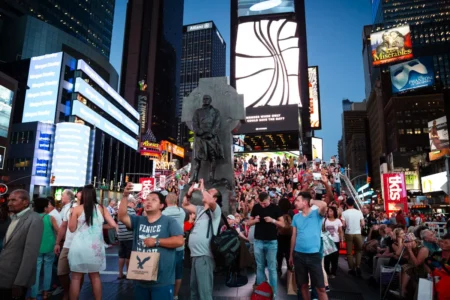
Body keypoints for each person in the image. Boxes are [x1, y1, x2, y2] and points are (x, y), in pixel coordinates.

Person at [119, 183, 184, 299]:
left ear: (161, 205)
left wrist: (156, 241)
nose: (148, 202)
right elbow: (122, 217)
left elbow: (179, 241)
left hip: (162, 281)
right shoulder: (138, 220)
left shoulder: (169, 221)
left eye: (154, 200)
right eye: (147, 199)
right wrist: (125, 196)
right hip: (140, 278)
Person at [68, 184, 117, 300]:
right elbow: (113, 224)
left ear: (83, 195)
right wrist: (98, 227)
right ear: (94, 195)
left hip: (78, 246)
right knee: (95, 277)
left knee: (75, 278)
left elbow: (72, 228)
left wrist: (71, 215)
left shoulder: (76, 209)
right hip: (95, 249)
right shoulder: (101, 208)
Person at [182, 179, 222, 300]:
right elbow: (185, 204)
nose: (205, 194)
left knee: (205, 293)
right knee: (194, 290)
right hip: (194, 256)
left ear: (214, 199)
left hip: (204, 256)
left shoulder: (216, 210)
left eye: (210, 193)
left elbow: (209, 200)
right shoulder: (200, 210)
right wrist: (189, 193)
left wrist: (203, 189)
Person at [0, 190, 44, 300]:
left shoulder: (34, 219)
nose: (9, 203)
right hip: (4, 276)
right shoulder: (14, 218)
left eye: (13, 200)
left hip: (16, 280)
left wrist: (20, 282)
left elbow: (30, 254)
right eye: (9, 200)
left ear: (25, 202)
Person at [289, 191, 328, 300]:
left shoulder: (317, 214)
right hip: (299, 255)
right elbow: (293, 237)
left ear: (305, 202)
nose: (295, 203)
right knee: (303, 286)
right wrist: (291, 255)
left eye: (298, 200)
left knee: (321, 288)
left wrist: (311, 201)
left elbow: (324, 205)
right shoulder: (296, 217)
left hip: (313, 255)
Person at [248, 192, 284, 297]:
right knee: (260, 267)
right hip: (258, 241)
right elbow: (249, 223)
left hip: (271, 242)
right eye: (261, 203)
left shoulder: (275, 208)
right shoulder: (256, 207)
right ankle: (261, 293)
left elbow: (283, 224)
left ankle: (273, 294)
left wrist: (272, 220)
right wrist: (255, 220)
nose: (263, 205)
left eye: (264, 203)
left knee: (272, 268)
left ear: (269, 199)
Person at [30, 197, 60, 300]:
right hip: (50, 247)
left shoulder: (32, 218)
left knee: (36, 272)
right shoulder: (50, 218)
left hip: (36, 247)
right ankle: (45, 293)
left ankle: (33, 295)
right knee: (48, 269)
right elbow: (58, 231)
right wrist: (57, 243)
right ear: (44, 208)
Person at [54, 188, 81, 300]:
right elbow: (63, 226)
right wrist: (57, 243)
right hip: (68, 244)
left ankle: (74, 294)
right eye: (78, 195)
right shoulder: (69, 208)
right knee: (61, 272)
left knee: (78, 274)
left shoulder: (89, 209)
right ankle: (67, 290)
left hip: (81, 246)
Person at [162, 192, 186, 300]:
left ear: (166, 201)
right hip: (179, 247)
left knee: (166, 272)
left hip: (166, 246)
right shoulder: (181, 212)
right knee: (178, 272)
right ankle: (175, 295)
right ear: (176, 201)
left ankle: (166, 293)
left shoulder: (163, 214)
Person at [341, 197, 365, 277]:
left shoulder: (344, 213)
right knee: (358, 251)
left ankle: (352, 269)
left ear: (347, 204)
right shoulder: (359, 212)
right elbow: (363, 224)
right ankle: (358, 266)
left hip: (349, 233)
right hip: (358, 233)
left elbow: (343, 225)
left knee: (349, 253)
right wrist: (359, 229)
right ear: (353, 203)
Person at [117, 195, 136, 280]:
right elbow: (134, 224)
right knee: (129, 256)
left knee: (121, 256)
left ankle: (120, 273)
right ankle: (128, 273)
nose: (134, 205)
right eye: (134, 203)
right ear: (131, 203)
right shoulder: (131, 211)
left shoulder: (120, 211)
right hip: (129, 236)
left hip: (121, 236)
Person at [323, 206, 343, 278]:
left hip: (335, 241)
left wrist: (342, 240)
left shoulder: (338, 221)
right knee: (327, 258)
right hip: (327, 241)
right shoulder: (325, 220)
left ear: (334, 212)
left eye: (331, 211)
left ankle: (333, 272)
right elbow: (323, 230)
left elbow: (340, 231)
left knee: (335, 258)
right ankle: (327, 272)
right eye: (328, 211)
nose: (329, 212)